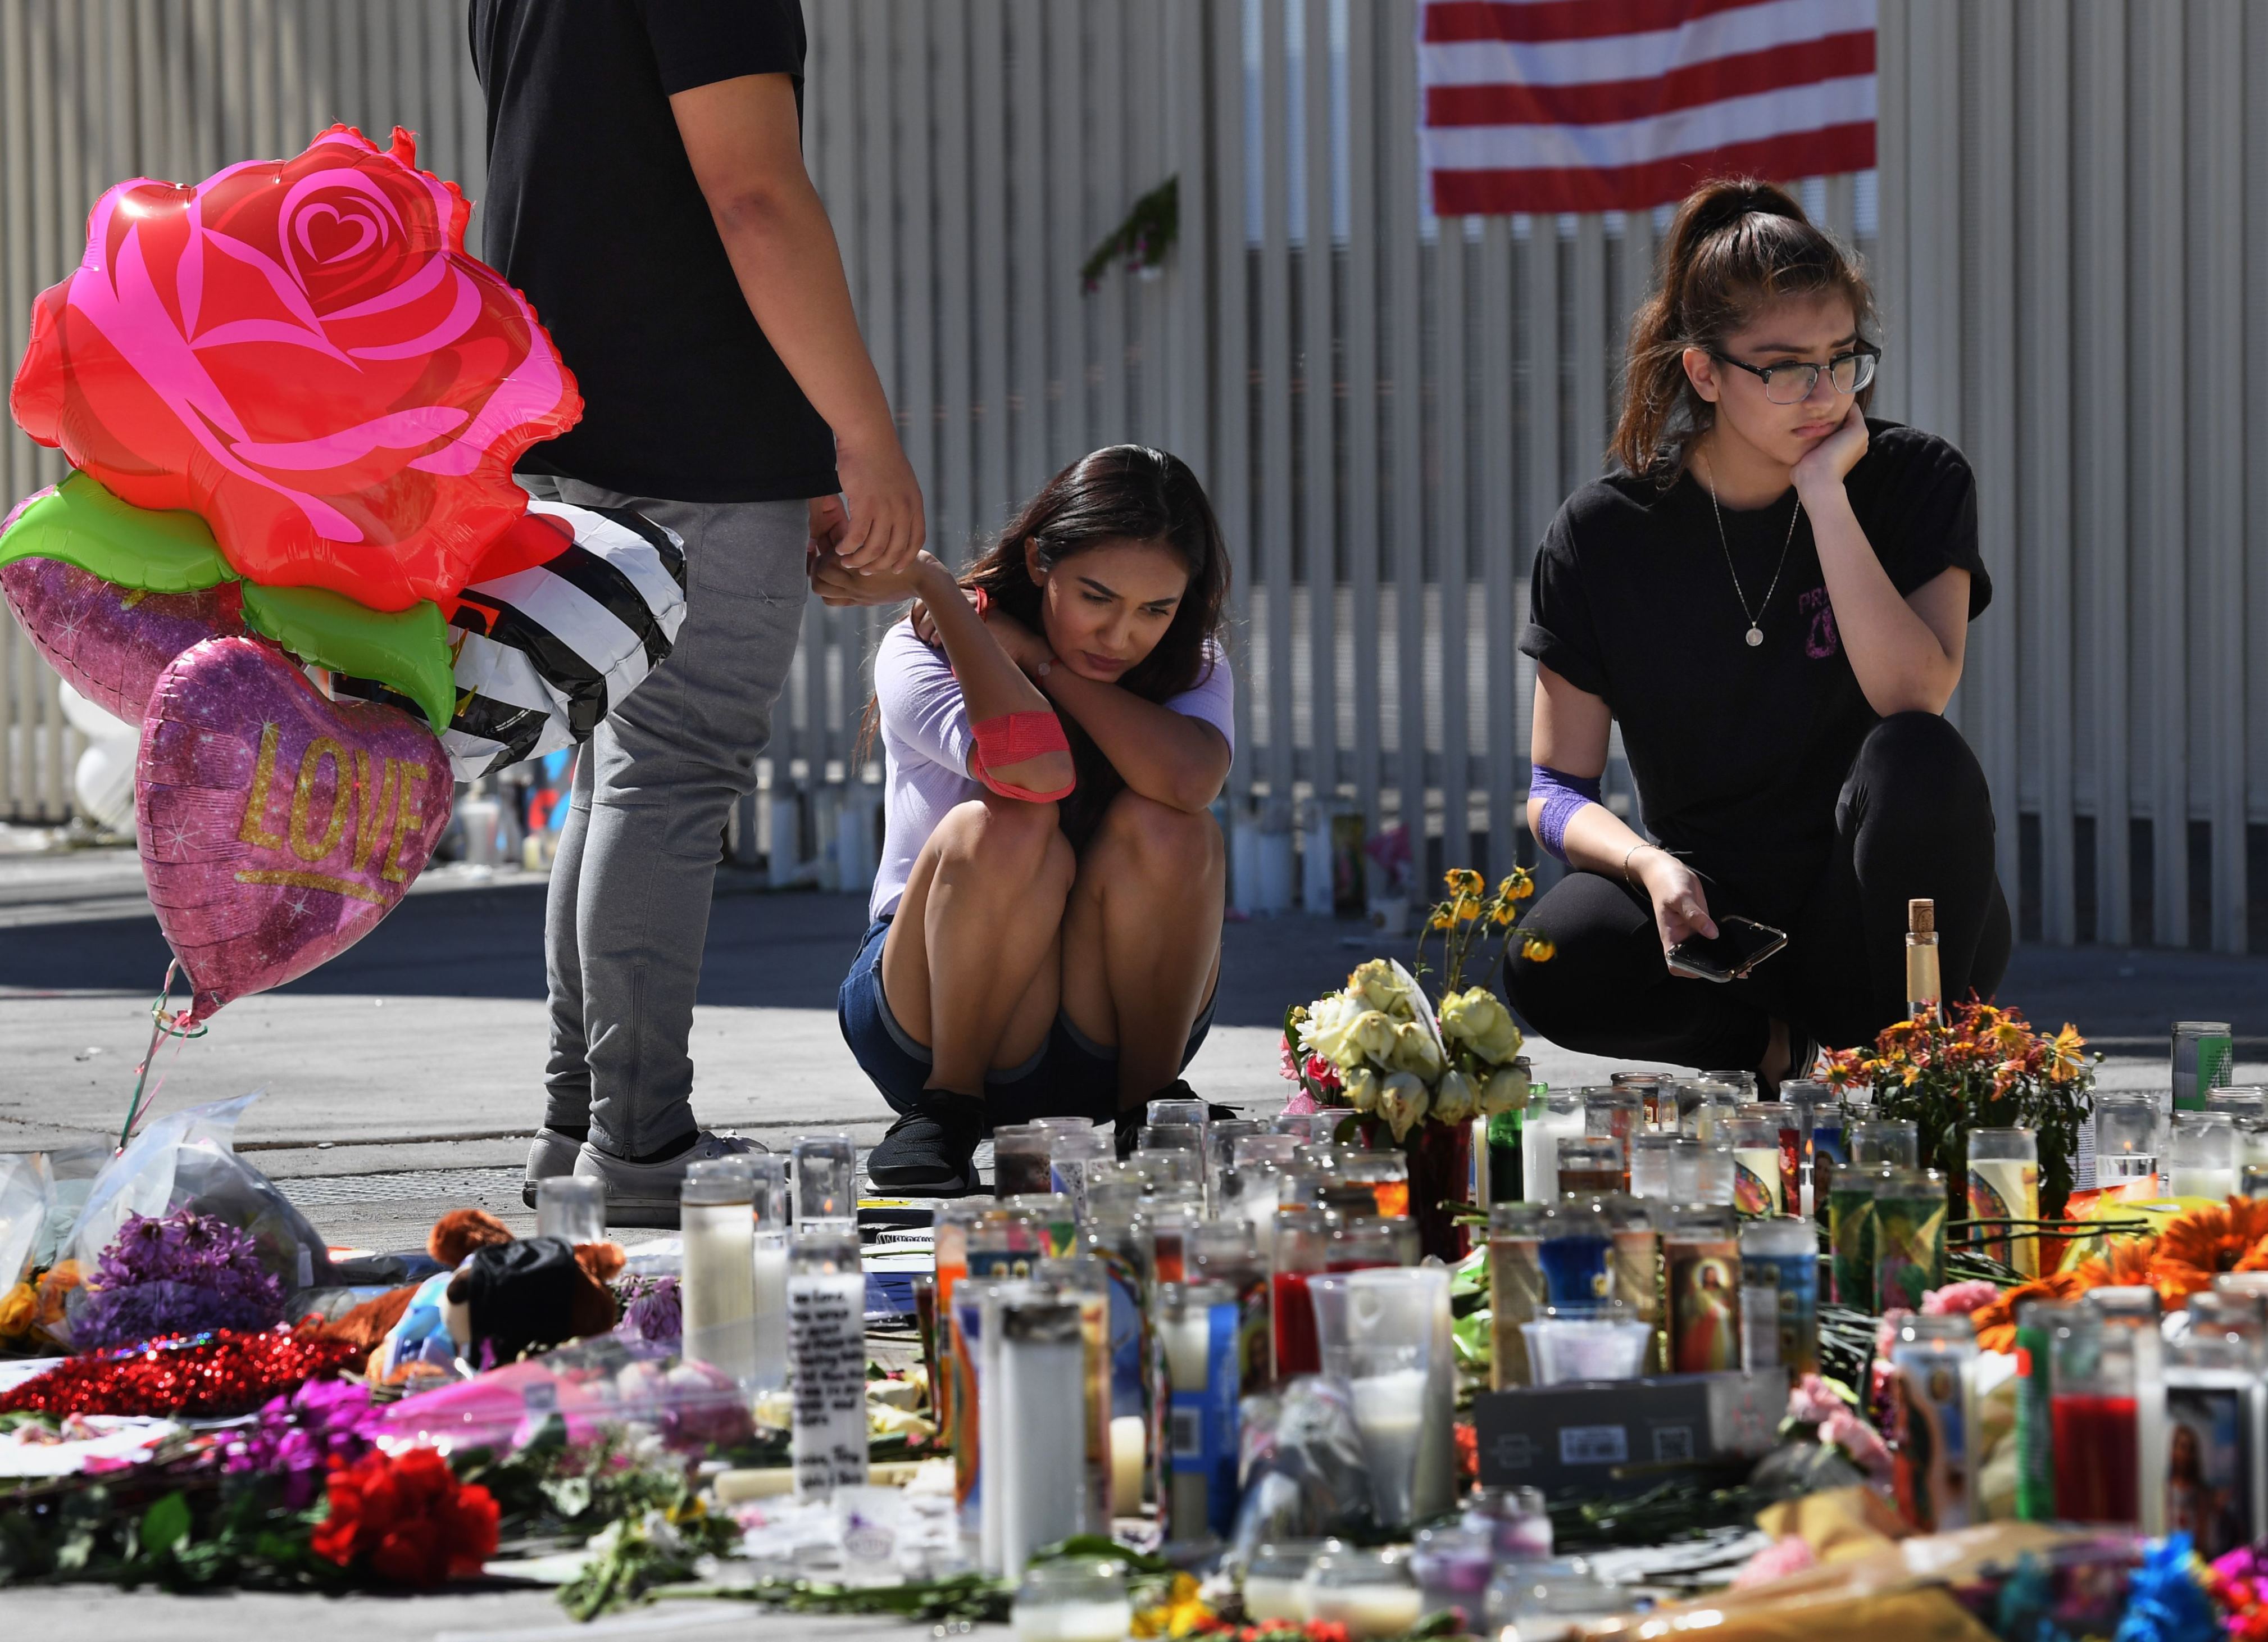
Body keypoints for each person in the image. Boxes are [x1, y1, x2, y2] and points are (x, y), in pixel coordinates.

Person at [471, 1, 924, 1223]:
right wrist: (860, 434)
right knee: (666, 775)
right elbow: (754, 197)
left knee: (622, 766)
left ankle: (585, 1124)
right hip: (687, 421)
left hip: (549, 405)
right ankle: (641, 1139)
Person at [1506, 178, 2008, 1085]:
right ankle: (1775, 1054)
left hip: (1878, 910)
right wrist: (1649, 865)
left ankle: (1912, 1073)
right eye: (1782, 367)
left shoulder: (1911, 479)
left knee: (1916, 758)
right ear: (1704, 371)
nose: (1821, 394)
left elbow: (1913, 695)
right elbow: (1551, 789)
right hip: (1718, 924)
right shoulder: (1602, 535)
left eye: (1842, 359)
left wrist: (1824, 497)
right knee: (1555, 952)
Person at [821, 447, 1234, 1195]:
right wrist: (937, 587)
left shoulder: (1189, 660)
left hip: (1103, 1025)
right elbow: (1033, 772)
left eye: (1155, 609)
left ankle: (1152, 1107)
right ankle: (945, 1109)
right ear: (1041, 560)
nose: (1119, 635)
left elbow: (1187, 779)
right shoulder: (922, 645)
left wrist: (1047, 663)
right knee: (1007, 822)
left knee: (1177, 825)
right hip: (926, 1016)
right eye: (1097, 596)